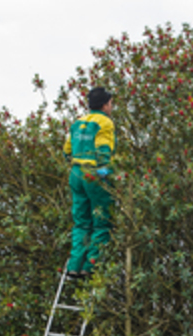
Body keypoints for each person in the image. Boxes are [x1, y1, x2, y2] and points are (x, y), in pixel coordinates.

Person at [63, 87, 115, 279]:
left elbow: (67, 150)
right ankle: (90, 265)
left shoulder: (78, 123)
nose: (111, 107)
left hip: (76, 174)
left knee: (81, 222)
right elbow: (103, 152)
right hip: (93, 174)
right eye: (110, 103)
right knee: (101, 221)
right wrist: (105, 173)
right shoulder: (105, 123)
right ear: (104, 105)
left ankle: (74, 266)